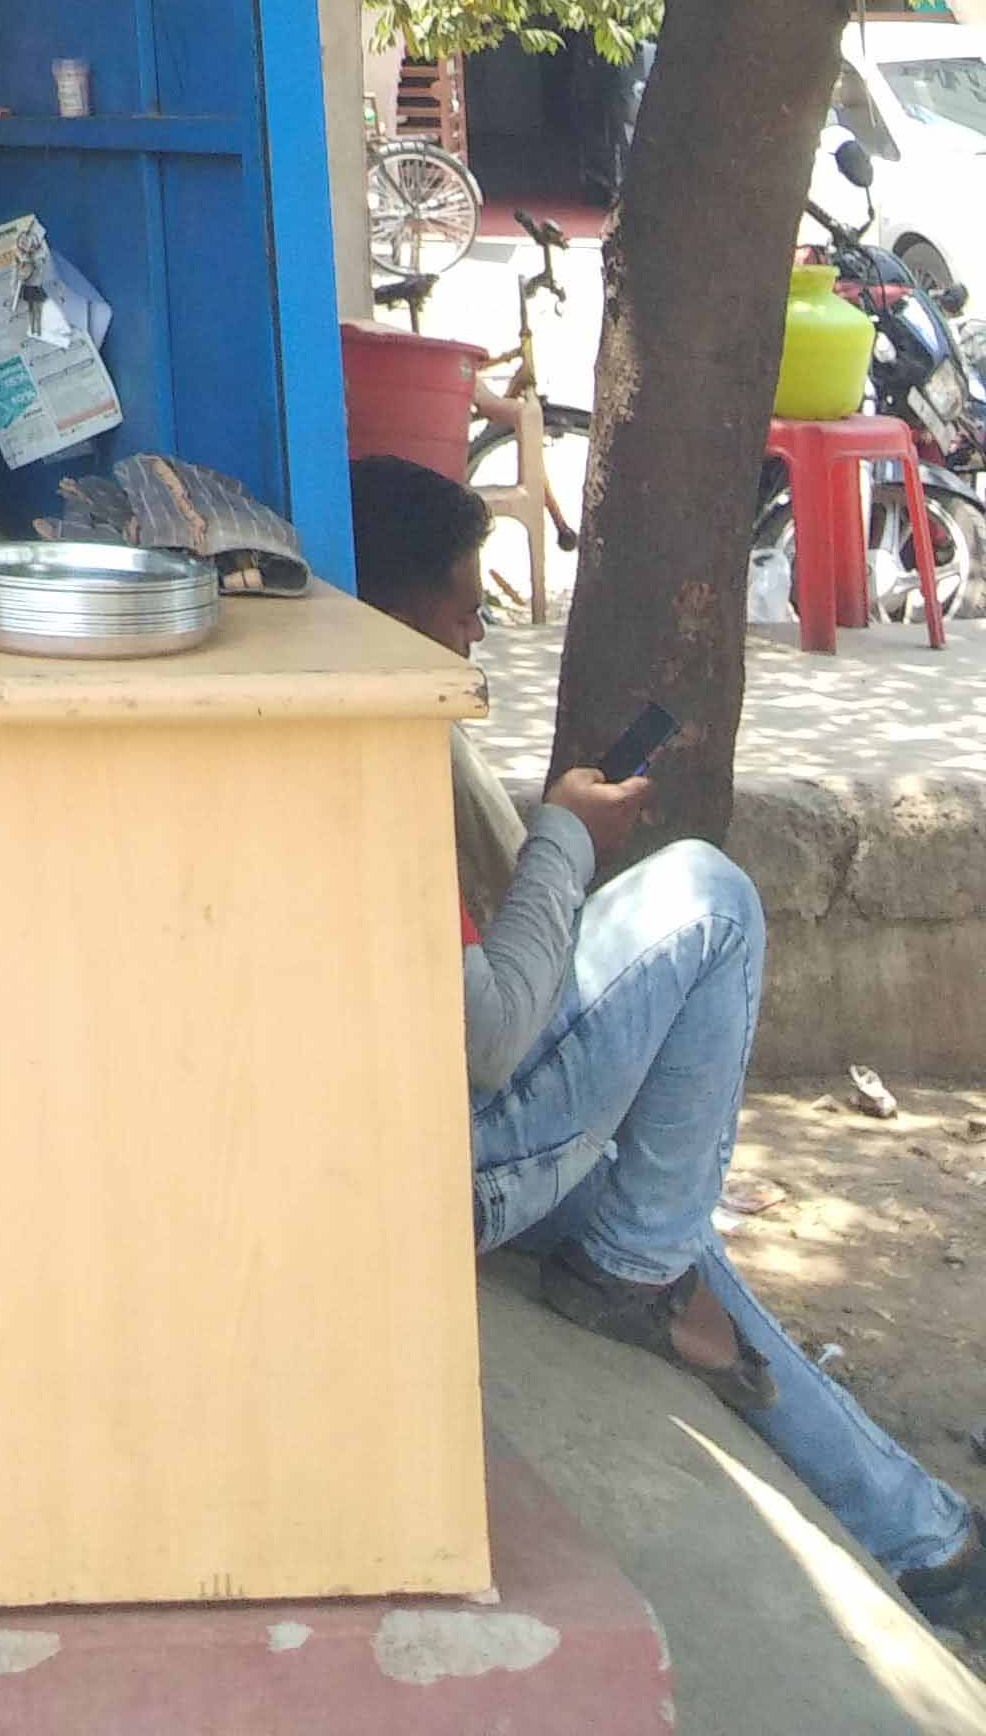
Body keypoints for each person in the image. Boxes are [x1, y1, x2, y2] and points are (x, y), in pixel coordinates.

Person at [351, 452, 986, 1641]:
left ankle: (929, 1542)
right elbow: (486, 1036)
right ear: (392, 611)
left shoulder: (381, 730)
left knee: (665, 1228)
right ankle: (640, 1270)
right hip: (436, 1164)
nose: (477, 620)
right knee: (709, 897)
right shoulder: (359, 769)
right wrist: (564, 841)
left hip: (425, 1131)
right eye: (458, 595)